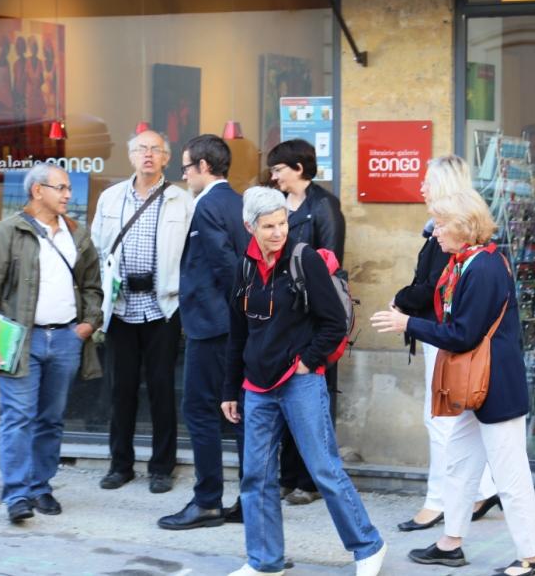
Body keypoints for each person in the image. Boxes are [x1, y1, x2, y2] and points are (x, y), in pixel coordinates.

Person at [372, 190, 535, 576]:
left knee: (510, 475)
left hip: (495, 386)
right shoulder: (466, 263)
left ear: (465, 226)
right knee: (458, 462)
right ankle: (451, 543)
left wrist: (408, 324)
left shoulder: (482, 269)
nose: (434, 232)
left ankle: (532, 558)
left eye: (441, 223)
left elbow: (464, 334)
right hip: (479, 385)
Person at [222, 186, 386, 576]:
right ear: (250, 227)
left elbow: (334, 324)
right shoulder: (243, 267)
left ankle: (368, 546)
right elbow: (238, 333)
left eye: (282, 223)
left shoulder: (304, 259)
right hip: (256, 387)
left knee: (324, 470)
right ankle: (265, 561)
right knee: (256, 477)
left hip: (300, 382)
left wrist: (306, 363)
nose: (278, 232)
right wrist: (230, 389)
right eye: (268, 226)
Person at [0, 162, 103, 523]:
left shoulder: (77, 235)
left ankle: (41, 487)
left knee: (51, 419)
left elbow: (92, 285)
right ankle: (18, 495)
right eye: (61, 188)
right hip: (22, 341)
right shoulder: (7, 233)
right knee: (18, 417)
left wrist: (88, 323)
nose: (68, 195)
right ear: (38, 190)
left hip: (67, 339)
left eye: (69, 188)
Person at [392, 155, 498, 532]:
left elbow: (431, 285)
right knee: (459, 421)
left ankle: (438, 502)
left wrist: (400, 302)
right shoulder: (448, 228)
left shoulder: (448, 231)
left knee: (440, 420)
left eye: (427, 181)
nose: (420, 187)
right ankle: (483, 489)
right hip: (445, 332)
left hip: (444, 334)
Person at [90, 129, 193, 494]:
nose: (148, 155)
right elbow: (98, 248)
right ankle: (120, 465)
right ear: (130, 156)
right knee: (121, 390)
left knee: (163, 389)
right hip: (121, 308)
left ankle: (162, 467)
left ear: (166, 157)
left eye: (155, 149)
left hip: (162, 307)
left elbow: (191, 256)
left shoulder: (182, 200)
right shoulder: (110, 198)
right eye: (141, 149)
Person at [158, 134, 247, 530]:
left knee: (200, 410)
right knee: (244, 414)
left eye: (186, 168)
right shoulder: (238, 202)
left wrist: (235, 314)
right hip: (231, 325)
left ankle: (208, 500)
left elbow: (227, 268)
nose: (185, 175)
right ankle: (251, 499)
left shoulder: (208, 204)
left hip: (214, 327)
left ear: (204, 167)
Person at [266, 138, 346, 505]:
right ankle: (287, 475)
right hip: (280, 315)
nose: (274, 176)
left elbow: (331, 262)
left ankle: (310, 481)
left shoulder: (324, 206)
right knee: (282, 395)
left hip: (313, 317)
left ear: (298, 168)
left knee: (311, 400)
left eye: (279, 169)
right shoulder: (276, 204)